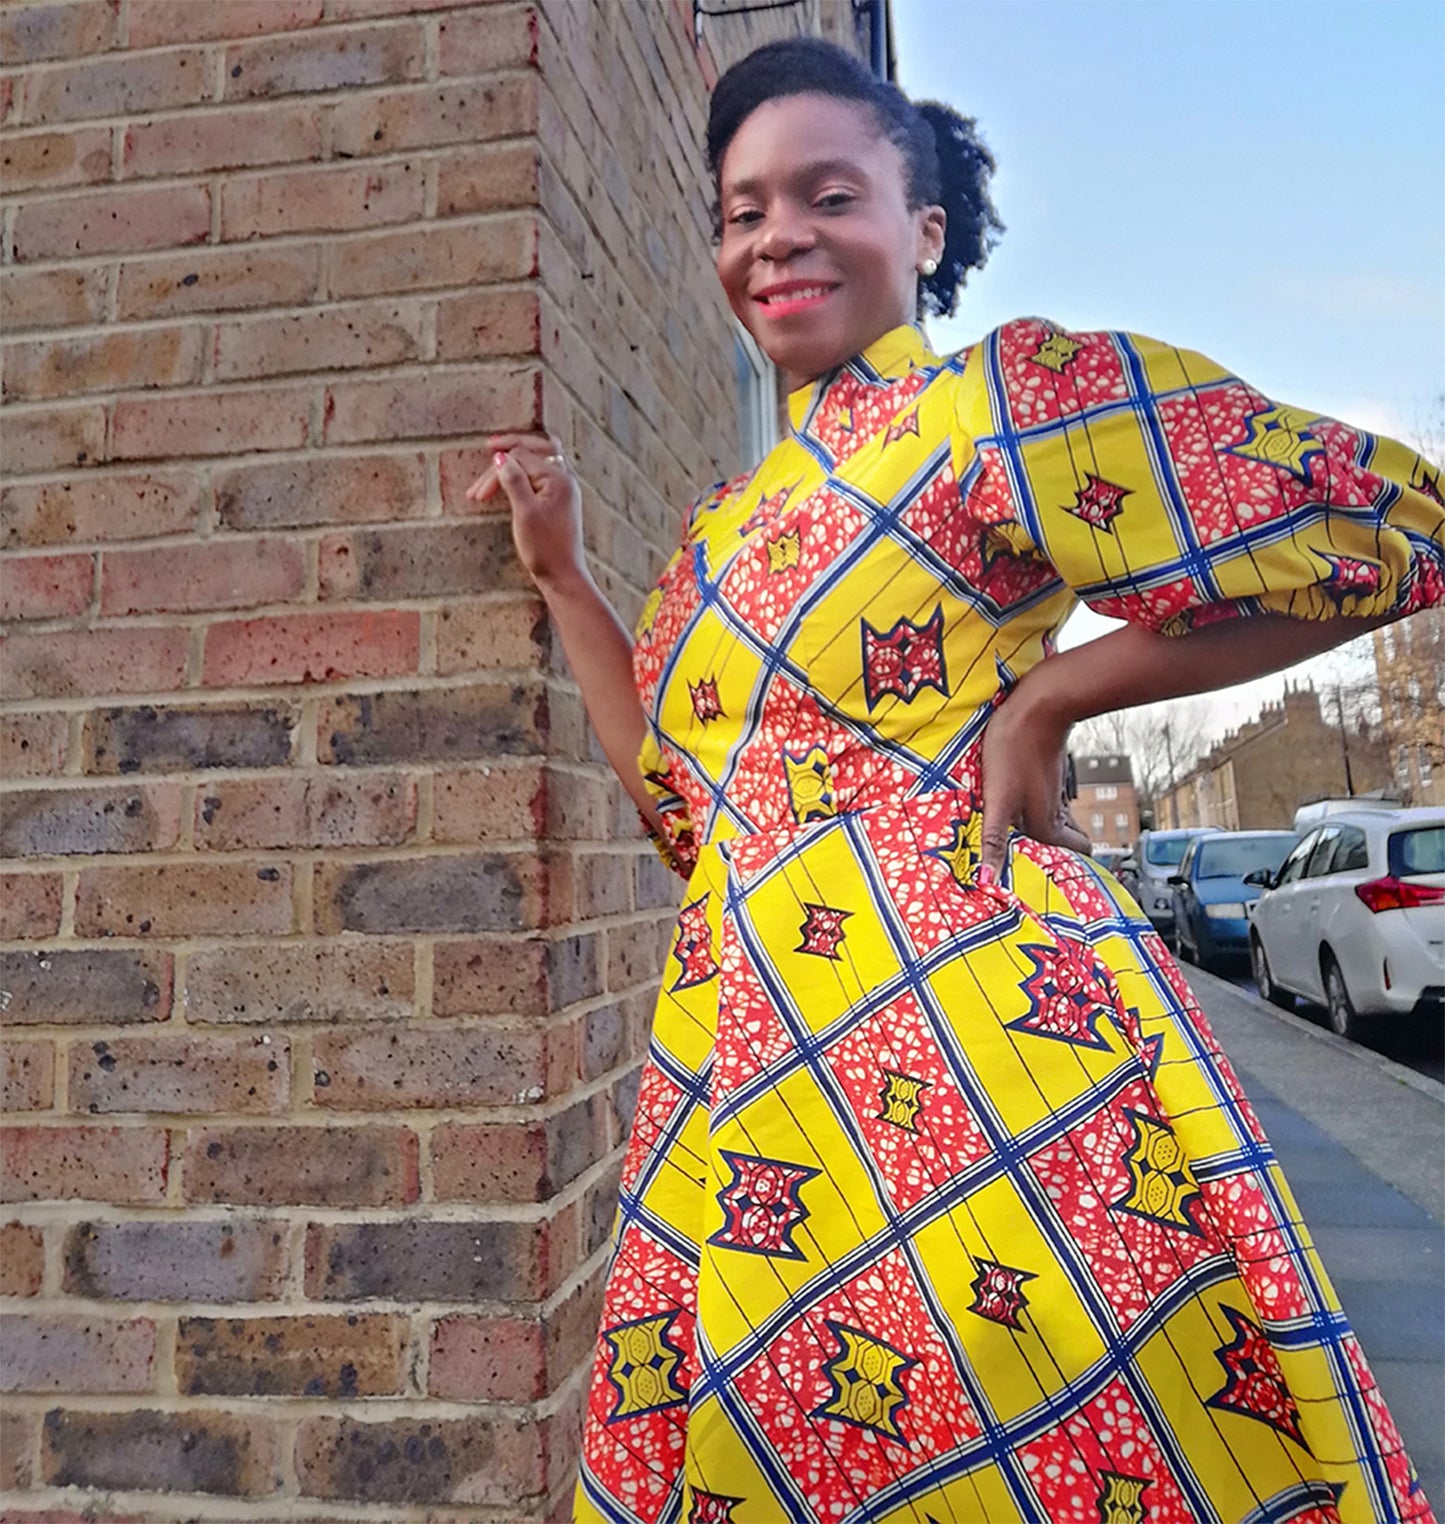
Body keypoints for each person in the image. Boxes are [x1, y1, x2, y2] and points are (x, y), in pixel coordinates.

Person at [471, 36, 1442, 1524]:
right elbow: (678, 800)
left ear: (923, 231)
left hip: (985, 1058)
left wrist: (1055, 693)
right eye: (739, 212)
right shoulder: (724, 526)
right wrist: (568, 582)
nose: (774, 235)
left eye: (824, 193)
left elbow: (1384, 529)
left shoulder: (1001, 403)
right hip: (755, 1086)